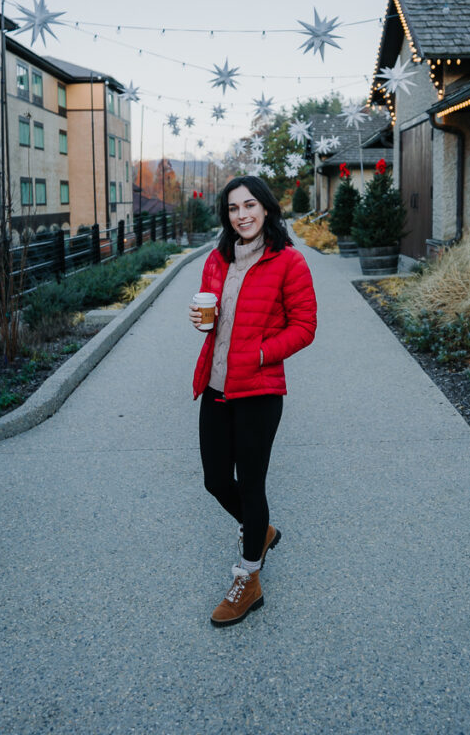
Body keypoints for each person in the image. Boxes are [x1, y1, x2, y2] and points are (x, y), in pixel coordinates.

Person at [188, 175, 317, 627]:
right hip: (217, 386)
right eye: (232, 208)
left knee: (252, 482)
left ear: (266, 208)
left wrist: (261, 353)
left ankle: (249, 578)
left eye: (249, 206)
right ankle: (262, 531)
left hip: (260, 391)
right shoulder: (216, 260)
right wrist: (203, 323)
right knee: (215, 480)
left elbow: (305, 326)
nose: (241, 215)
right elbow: (217, 319)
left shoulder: (289, 262)